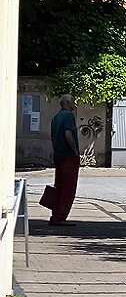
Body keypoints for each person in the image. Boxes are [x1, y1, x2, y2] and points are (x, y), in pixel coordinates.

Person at [41, 96, 81, 226]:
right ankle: (60, 216)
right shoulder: (68, 116)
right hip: (68, 156)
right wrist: (75, 151)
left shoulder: (56, 117)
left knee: (59, 185)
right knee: (68, 188)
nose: (74, 104)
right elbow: (68, 134)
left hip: (59, 155)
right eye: (73, 101)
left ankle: (56, 214)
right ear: (68, 103)